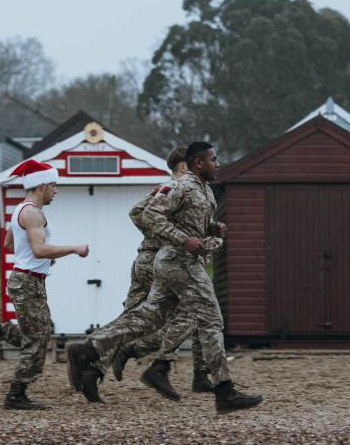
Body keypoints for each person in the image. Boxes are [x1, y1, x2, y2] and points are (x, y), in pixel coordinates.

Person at [68, 142, 263, 413]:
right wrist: (182, 240)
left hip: (175, 262)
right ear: (197, 163)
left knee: (151, 316)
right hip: (178, 262)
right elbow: (148, 214)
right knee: (212, 320)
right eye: (213, 159)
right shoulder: (181, 186)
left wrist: (212, 229)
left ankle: (89, 348)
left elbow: (192, 224)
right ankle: (224, 391)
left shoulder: (206, 191)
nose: (218, 164)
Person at [76, 147, 215, 402]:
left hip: (146, 260)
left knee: (131, 319)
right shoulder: (175, 189)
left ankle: (92, 370)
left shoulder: (178, 191)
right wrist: (168, 237)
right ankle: (149, 360)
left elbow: (141, 214)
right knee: (188, 315)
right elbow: (138, 213)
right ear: (185, 167)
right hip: (160, 261)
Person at [0, 159, 89, 410]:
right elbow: (39, 248)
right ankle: (16, 394)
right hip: (28, 281)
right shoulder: (33, 213)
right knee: (39, 339)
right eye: (53, 186)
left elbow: (10, 244)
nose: (56, 191)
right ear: (41, 185)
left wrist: (42, 256)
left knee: (37, 337)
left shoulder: (21, 209)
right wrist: (73, 248)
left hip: (27, 279)